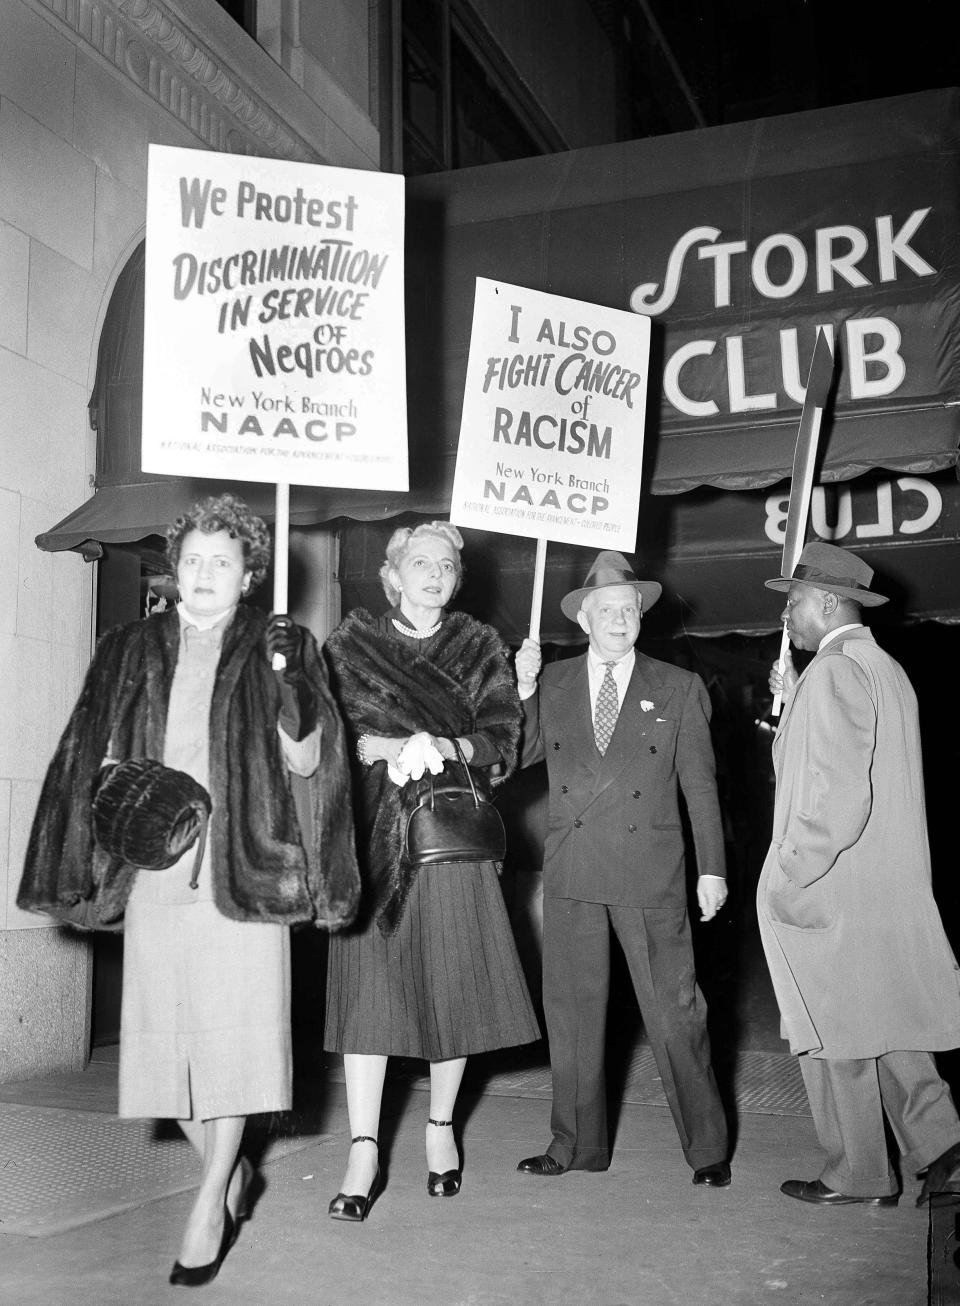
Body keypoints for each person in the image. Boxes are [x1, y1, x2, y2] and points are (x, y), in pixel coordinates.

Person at [17, 494, 359, 1285]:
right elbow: (84, 750)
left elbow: (312, 762)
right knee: (166, 1052)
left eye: (224, 563)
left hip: (247, 869)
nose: (206, 574)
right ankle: (234, 1171)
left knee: (238, 1043)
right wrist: (100, 810)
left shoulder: (282, 645)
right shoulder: (127, 646)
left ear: (250, 577)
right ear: (174, 570)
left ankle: (208, 1202)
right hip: (156, 870)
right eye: (194, 560)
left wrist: (289, 692)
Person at [322, 520, 540, 1219]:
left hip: (450, 840)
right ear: (392, 573)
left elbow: (503, 743)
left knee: (455, 986)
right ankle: (364, 1146)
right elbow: (330, 736)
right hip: (375, 841)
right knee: (369, 998)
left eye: (446, 564)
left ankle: (441, 1127)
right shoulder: (351, 645)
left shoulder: (479, 646)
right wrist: (387, 746)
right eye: (420, 561)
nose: (434, 573)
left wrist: (448, 743)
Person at [513, 550, 731, 1185]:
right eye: (605, 610)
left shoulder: (678, 686)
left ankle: (708, 1149)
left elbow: (702, 787)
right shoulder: (550, 683)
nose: (618, 619)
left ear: (640, 617)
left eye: (628, 609)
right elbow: (517, 758)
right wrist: (521, 691)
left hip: (650, 870)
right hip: (574, 866)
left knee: (675, 1012)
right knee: (573, 1014)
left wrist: (711, 868)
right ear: (583, 619)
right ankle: (575, 1145)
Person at [759, 540, 960, 1206]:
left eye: (791, 602)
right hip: (879, 888)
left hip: (833, 889)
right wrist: (793, 711)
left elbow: (841, 796)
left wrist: (791, 871)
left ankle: (858, 1172)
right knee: (887, 1025)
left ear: (823, 601)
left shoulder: (837, 672)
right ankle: (943, 1149)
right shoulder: (877, 666)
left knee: (833, 1037)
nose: (785, 615)